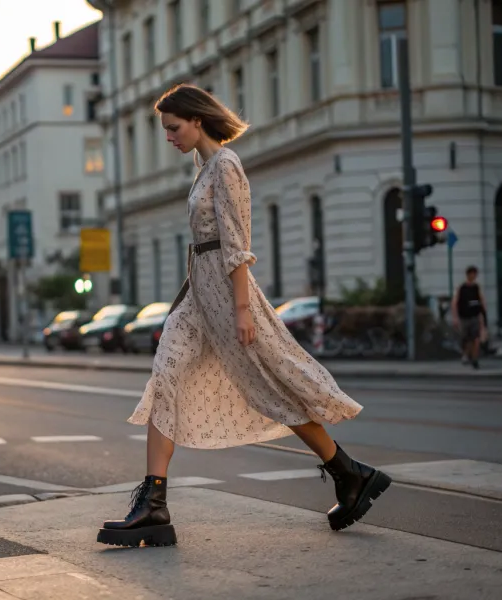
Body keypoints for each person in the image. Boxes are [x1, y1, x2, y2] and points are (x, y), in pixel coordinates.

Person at [97, 84, 391, 548]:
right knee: (164, 379)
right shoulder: (203, 166)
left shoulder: (227, 166)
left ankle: (349, 473)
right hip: (199, 296)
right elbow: (205, 245)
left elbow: (237, 244)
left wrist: (241, 310)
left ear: (197, 120)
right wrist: (190, 299)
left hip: (228, 297)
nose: (169, 137)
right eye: (166, 130)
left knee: (270, 387)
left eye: (173, 128)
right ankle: (153, 505)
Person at [451, 266, 485, 369]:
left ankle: (475, 359)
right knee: (466, 339)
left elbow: (481, 302)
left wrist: (482, 316)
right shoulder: (462, 288)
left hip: (474, 316)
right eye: (472, 274)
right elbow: (455, 302)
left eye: (475, 274)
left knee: (476, 339)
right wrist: (455, 317)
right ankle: (466, 355)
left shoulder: (476, 288)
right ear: (468, 275)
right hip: (464, 317)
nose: (474, 276)